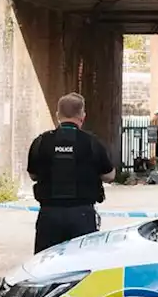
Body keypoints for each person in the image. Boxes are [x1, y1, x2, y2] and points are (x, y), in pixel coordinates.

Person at [27, 93, 115, 253]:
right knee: (82, 264)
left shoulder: (41, 142)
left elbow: (33, 175)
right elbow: (109, 176)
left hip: (49, 215)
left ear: (57, 115)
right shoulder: (92, 143)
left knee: (45, 264)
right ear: (82, 115)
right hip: (82, 214)